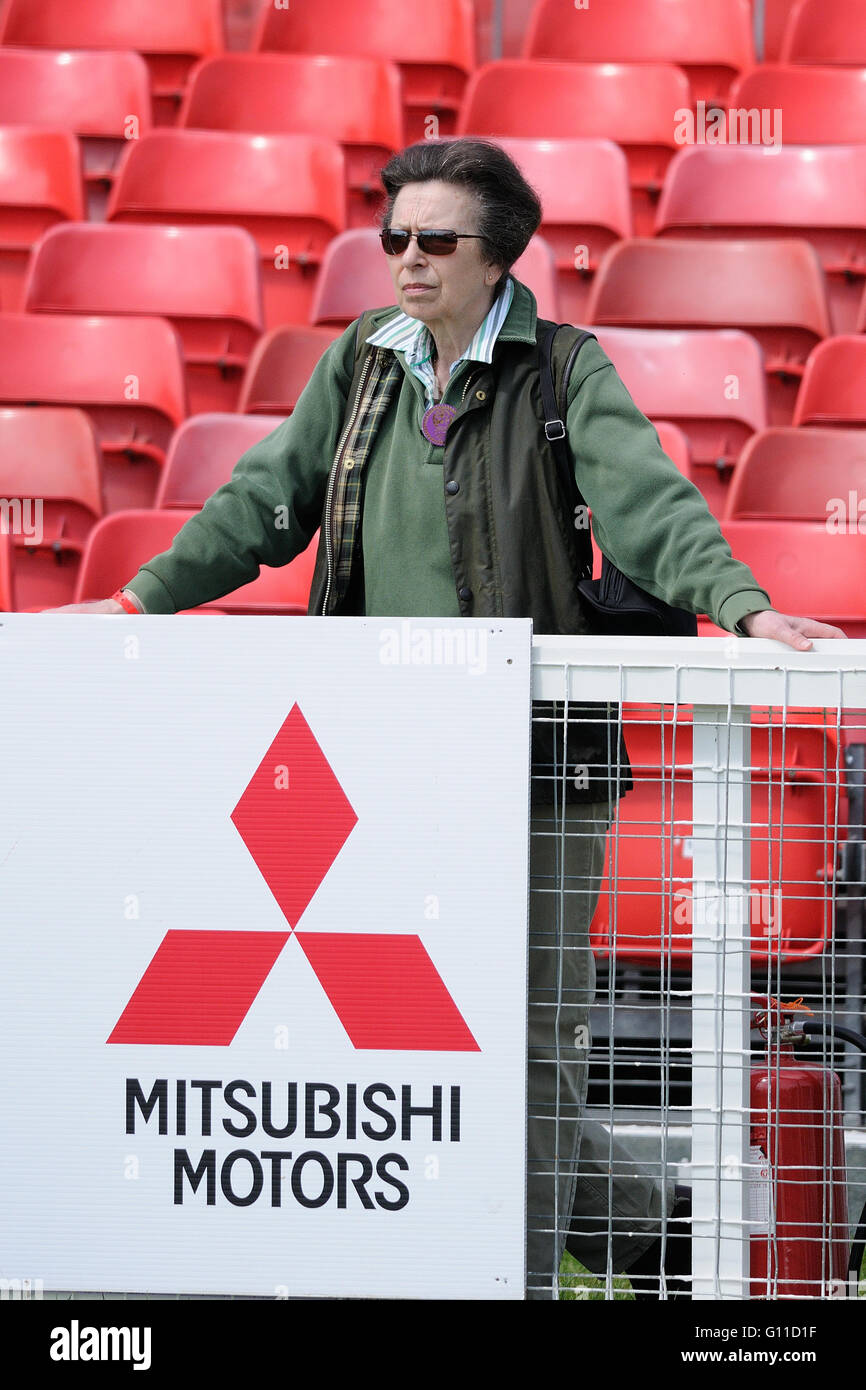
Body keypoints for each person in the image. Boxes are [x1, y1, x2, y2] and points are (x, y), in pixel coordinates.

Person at [53, 138, 846, 1298]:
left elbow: (646, 510)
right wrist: (136, 597)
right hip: (386, 773)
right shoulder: (359, 363)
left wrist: (743, 602)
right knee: (419, 1043)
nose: (406, 261)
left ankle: (514, 1282)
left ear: (498, 257)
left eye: (436, 241)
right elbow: (262, 499)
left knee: (524, 1049)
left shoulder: (568, 372)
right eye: (393, 239)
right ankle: (651, 1240)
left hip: (537, 775)